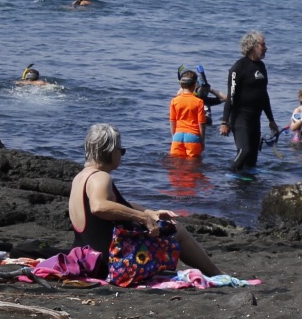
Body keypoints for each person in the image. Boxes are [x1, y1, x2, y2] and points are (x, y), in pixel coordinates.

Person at [69, 123, 218, 279]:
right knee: (176, 230)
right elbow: (99, 206)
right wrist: (142, 218)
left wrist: (149, 212)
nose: (121, 155)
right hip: (110, 263)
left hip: (88, 260)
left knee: (163, 228)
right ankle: (218, 275)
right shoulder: (100, 177)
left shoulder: (80, 177)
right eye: (122, 151)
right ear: (111, 151)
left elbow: (117, 205)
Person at [220, 30, 277, 177]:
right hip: (240, 118)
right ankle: (228, 176)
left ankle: (249, 190)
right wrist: (225, 121)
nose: (266, 48)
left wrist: (271, 120)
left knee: (252, 157)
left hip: (255, 119)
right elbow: (230, 96)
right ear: (253, 46)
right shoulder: (238, 68)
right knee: (243, 151)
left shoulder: (262, 67)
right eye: (263, 45)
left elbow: (264, 95)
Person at [169, 71, 209, 158]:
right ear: (195, 85)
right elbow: (201, 123)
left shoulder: (174, 101)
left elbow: (172, 121)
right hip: (193, 136)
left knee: (175, 164)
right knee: (193, 165)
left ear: (181, 85)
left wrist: (174, 137)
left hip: (177, 136)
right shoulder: (199, 102)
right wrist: (202, 140)